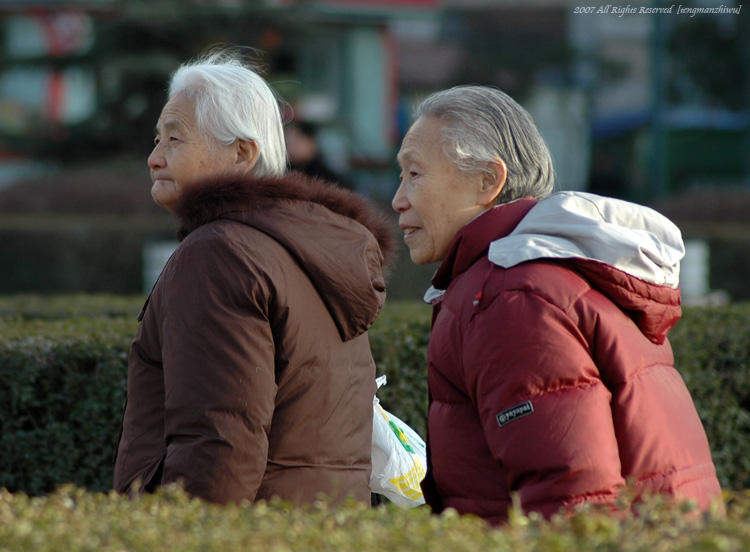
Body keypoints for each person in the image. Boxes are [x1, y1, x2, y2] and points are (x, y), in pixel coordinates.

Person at [392, 85, 722, 524]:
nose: (398, 199)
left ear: (488, 180)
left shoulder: (512, 297)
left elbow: (569, 505)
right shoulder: (535, 276)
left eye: (414, 174)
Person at [113, 48, 394, 506]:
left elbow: (218, 441)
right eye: (156, 139)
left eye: (174, 139)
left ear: (241, 153)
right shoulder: (297, 247)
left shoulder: (219, 253)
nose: (154, 157)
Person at [284, 120, 356, 190]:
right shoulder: (284, 172)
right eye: (287, 142)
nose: (291, 146)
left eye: (296, 140)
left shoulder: (326, 178)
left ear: (311, 142)